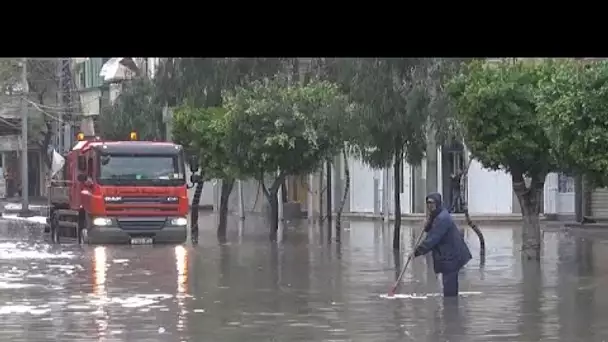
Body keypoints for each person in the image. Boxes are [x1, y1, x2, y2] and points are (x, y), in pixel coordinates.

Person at [414, 192, 472, 297]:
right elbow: (430, 229)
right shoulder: (436, 215)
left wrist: (416, 252)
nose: (429, 206)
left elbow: (432, 239)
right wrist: (427, 225)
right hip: (447, 256)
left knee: (449, 291)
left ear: (437, 203)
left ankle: (451, 310)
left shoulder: (442, 218)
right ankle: (451, 309)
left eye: (432, 203)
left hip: (452, 257)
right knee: (449, 289)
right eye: (427, 203)